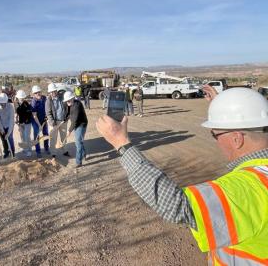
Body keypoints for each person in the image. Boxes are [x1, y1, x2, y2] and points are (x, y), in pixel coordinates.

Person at [96, 85, 268, 264]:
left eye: (214, 135)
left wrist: (121, 143)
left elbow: (177, 205)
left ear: (236, 139)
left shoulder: (251, 188)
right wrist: (224, 106)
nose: (216, 141)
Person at [63, 91, 88, 168]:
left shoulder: (77, 105)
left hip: (81, 124)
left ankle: (78, 162)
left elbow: (74, 121)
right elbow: (67, 114)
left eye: (69, 100)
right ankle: (84, 154)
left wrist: (69, 131)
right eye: (66, 100)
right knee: (79, 141)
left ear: (73, 98)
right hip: (76, 124)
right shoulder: (67, 104)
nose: (68, 102)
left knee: (77, 143)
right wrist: (64, 120)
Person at [45, 83, 70, 158]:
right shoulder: (48, 101)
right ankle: (53, 153)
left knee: (64, 137)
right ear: (49, 92)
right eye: (51, 92)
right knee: (53, 138)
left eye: (54, 91)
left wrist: (67, 116)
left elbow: (67, 107)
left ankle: (64, 150)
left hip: (63, 121)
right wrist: (53, 123)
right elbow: (48, 113)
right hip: (54, 122)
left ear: (56, 90)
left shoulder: (62, 97)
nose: (53, 93)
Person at [31, 85, 49, 158]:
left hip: (44, 119)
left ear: (41, 92)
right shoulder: (34, 102)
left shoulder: (44, 98)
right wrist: (39, 125)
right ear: (33, 94)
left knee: (46, 134)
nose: (38, 94)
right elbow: (34, 116)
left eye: (39, 92)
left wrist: (46, 117)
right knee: (37, 136)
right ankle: (38, 151)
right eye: (36, 93)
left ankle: (46, 148)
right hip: (36, 121)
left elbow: (48, 108)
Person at [0, 93, 15, 158]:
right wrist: (1, 129)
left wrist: (8, 133)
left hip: (9, 125)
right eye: (1, 103)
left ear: (6, 101)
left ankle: (12, 152)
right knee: (3, 140)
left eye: (4, 103)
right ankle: (6, 152)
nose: (2, 104)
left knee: (10, 138)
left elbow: (11, 120)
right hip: (1, 125)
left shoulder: (11, 107)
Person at [15, 90, 33, 157]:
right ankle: (25, 149)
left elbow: (29, 115)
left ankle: (29, 150)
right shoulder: (17, 104)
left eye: (22, 98)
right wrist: (17, 119)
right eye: (20, 98)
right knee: (22, 137)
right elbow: (18, 113)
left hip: (27, 123)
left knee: (27, 137)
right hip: (20, 123)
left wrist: (24, 122)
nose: (21, 99)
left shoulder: (26, 104)